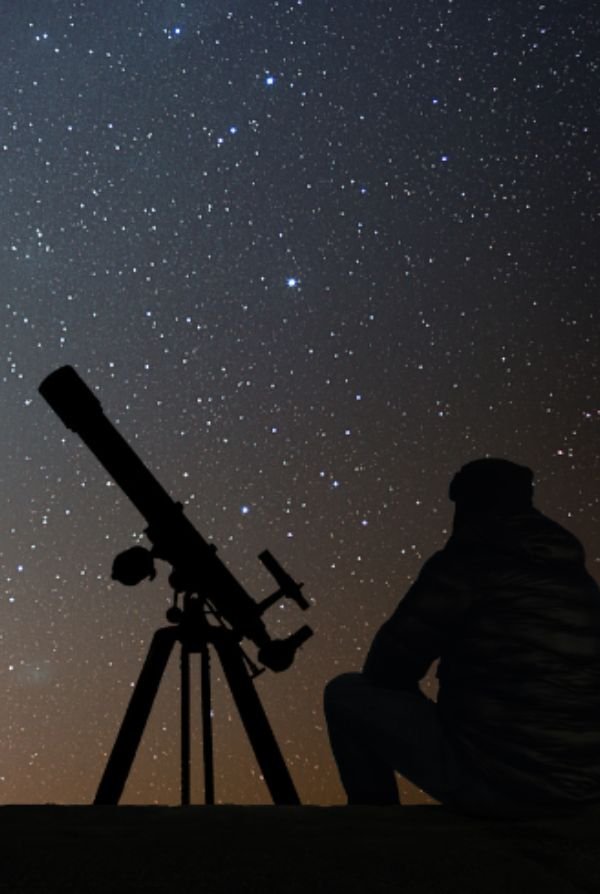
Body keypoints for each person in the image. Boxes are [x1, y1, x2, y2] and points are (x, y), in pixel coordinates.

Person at [324, 458, 600, 817]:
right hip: (583, 787)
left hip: (505, 784)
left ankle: (376, 827)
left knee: (347, 695)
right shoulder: (574, 576)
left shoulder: (466, 563)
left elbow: (387, 668)